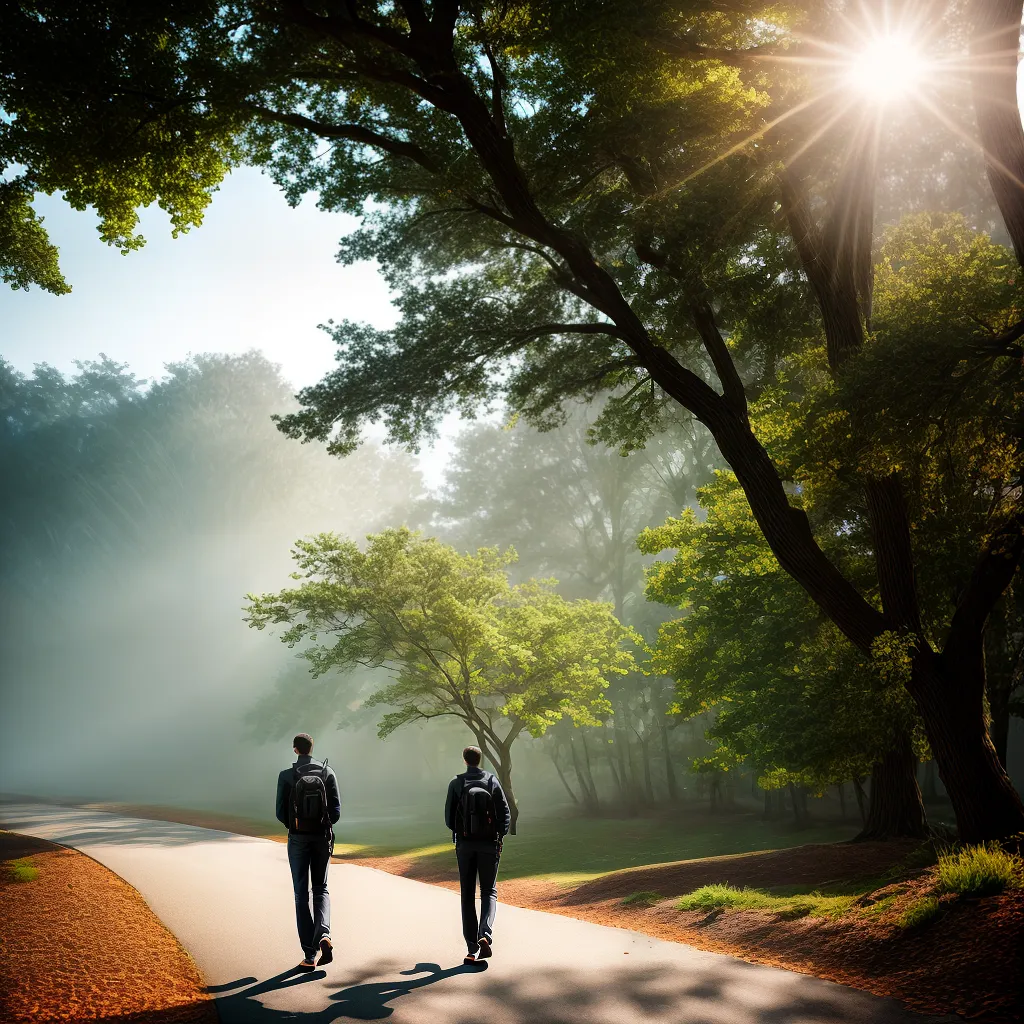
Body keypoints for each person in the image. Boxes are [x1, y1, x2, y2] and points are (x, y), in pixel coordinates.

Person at [276, 732, 341, 972]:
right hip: (322, 839)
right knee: (321, 888)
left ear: (295, 750)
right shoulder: (327, 773)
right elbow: (335, 811)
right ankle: (324, 934)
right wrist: (322, 826)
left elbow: (280, 813)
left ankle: (309, 954)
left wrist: (296, 828)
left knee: (300, 895)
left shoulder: (286, 776)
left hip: (298, 840)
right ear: (312, 749)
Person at [444, 745, 511, 964]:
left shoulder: (456, 783)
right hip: (489, 845)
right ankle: (486, 934)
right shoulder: (492, 781)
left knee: (467, 895)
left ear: (464, 760)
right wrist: (499, 834)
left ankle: (472, 948)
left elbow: (448, 819)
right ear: (480, 760)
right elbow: (505, 812)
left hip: (464, 846)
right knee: (489, 891)